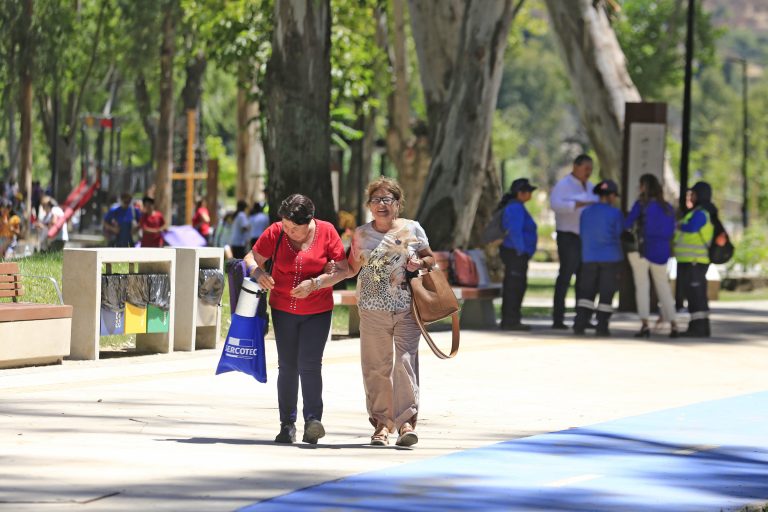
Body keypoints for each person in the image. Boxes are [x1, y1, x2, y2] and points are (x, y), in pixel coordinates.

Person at [245, 194, 348, 445]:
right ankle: (287, 424)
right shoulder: (276, 231)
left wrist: (316, 283)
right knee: (287, 366)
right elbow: (251, 258)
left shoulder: (327, 231)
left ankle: (313, 421)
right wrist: (259, 273)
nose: (289, 231)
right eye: (286, 225)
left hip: (317, 310)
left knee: (311, 364)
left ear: (309, 221)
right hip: (282, 308)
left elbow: (343, 268)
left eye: (295, 228)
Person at [346, 176, 434, 447]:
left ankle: (406, 422)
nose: (381, 205)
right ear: (369, 205)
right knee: (376, 367)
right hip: (372, 310)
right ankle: (382, 424)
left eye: (387, 200)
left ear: (398, 203)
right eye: (376, 200)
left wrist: (419, 262)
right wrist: (321, 278)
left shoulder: (413, 228)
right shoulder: (360, 234)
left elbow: (431, 258)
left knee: (405, 362)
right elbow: (351, 267)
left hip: (407, 307)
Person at [624, 174, 677, 338]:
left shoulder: (641, 205)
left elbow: (627, 224)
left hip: (642, 250)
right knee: (664, 288)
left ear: (643, 187)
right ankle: (674, 324)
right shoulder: (668, 208)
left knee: (642, 286)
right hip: (661, 251)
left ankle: (645, 324)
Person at [549, 154, 598, 329]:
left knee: (585, 278)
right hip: (568, 235)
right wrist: (577, 204)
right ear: (576, 167)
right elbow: (555, 205)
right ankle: (558, 318)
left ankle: (582, 318)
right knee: (565, 276)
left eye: (591, 169)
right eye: (586, 169)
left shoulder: (591, 186)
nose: (589, 172)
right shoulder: (564, 185)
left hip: (586, 237)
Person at [573, 179, 624, 336]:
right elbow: (619, 233)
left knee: (586, 292)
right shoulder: (615, 213)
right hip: (610, 258)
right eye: (614, 195)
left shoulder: (586, 213)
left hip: (588, 258)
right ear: (609, 196)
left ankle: (580, 322)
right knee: (606, 293)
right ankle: (602, 325)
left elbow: (582, 233)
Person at [674, 181, 716, 337]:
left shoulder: (701, 213)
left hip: (695, 261)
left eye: (694, 194)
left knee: (696, 295)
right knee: (693, 294)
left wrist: (678, 226)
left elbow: (691, 228)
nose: (691, 197)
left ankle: (699, 328)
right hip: (690, 261)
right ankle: (698, 326)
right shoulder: (696, 212)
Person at [499, 178, 538, 331]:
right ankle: (510, 320)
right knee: (514, 287)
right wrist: (522, 250)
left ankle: (512, 319)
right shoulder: (515, 208)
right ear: (520, 193)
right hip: (515, 254)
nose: (530, 194)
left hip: (516, 254)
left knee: (517, 286)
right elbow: (515, 232)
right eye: (528, 191)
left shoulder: (518, 207)